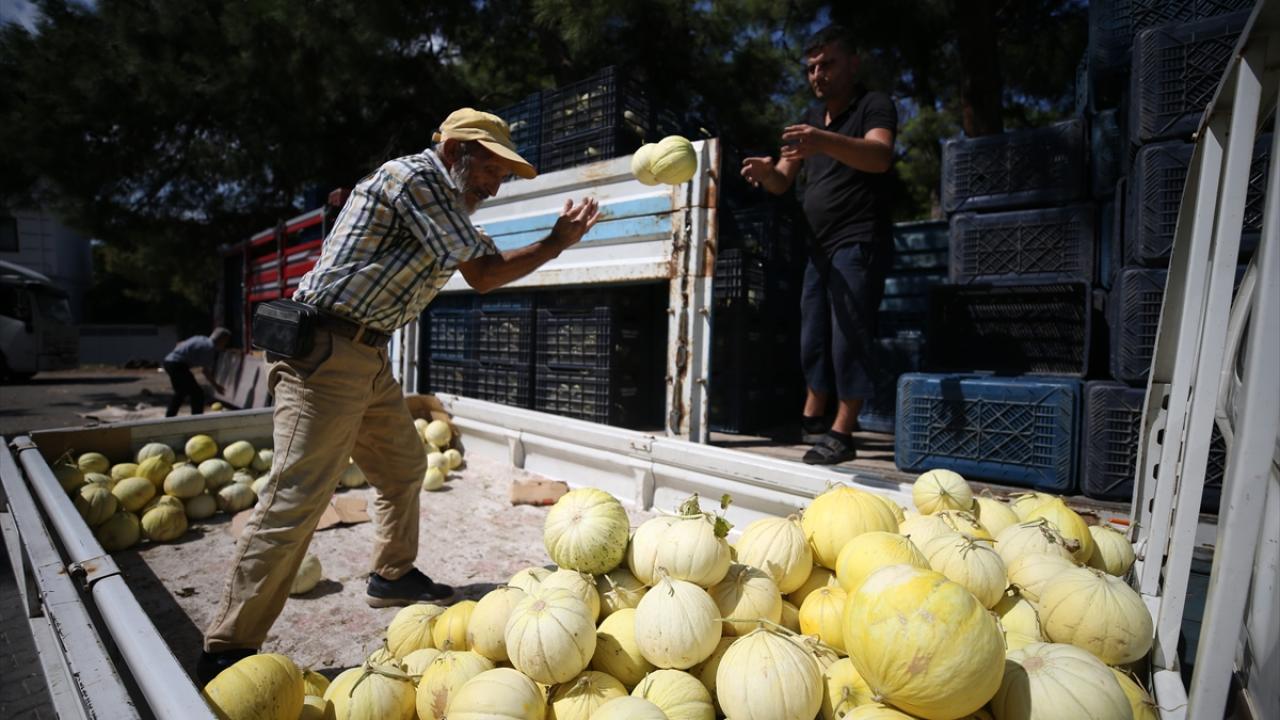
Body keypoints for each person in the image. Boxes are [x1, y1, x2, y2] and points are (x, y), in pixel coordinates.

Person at [196, 108, 600, 683]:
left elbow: (479, 256)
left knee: (403, 465)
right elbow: (484, 274)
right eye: (493, 170)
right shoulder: (417, 179)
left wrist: (545, 244)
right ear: (459, 152)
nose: (496, 184)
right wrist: (557, 241)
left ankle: (391, 575)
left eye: (504, 177)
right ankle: (225, 648)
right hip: (324, 355)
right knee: (295, 501)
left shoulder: (448, 209)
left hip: (365, 355)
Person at [740, 24, 897, 465]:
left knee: (850, 335)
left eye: (827, 64)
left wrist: (822, 141)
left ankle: (842, 432)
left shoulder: (873, 106)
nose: (817, 75)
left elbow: (879, 156)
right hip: (818, 247)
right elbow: (780, 183)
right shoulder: (807, 127)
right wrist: (764, 171)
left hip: (858, 239)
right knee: (812, 336)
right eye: (811, 68)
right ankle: (814, 417)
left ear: (852, 63)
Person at [162, 328, 229, 417]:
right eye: (226, 341)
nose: (225, 344)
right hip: (177, 364)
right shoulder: (209, 348)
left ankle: (170, 416)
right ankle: (197, 418)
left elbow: (180, 343)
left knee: (181, 392)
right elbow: (205, 371)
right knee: (197, 393)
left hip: (169, 361)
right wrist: (216, 386)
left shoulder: (201, 338)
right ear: (222, 339)